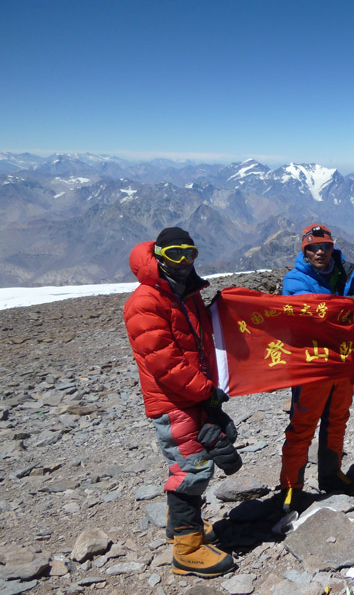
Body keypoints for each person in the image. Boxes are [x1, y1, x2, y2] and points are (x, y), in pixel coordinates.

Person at [124, 227, 238, 578]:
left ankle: (181, 529)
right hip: (174, 402)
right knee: (192, 470)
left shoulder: (184, 294)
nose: (185, 263)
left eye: (191, 254)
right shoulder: (145, 302)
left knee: (195, 462)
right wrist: (207, 390)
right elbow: (165, 363)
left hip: (192, 396)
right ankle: (186, 552)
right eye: (176, 256)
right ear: (159, 256)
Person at [280, 224, 354, 503]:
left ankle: (331, 474)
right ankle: (291, 487)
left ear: (333, 248)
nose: (320, 252)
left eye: (325, 246)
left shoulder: (344, 275)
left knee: (337, 419)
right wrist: (347, 304)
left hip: (342, 361)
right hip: (311, 364)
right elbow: (307, 313)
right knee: (303, 424)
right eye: (313, 247)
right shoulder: (294, 280)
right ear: (304, 251)